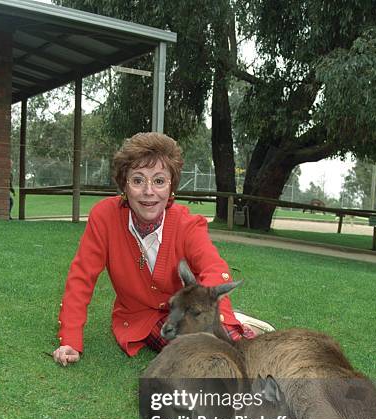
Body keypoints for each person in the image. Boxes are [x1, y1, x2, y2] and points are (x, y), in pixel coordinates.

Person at [52, 132, 273, 366]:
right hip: (142, 318)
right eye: (138, 180)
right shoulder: (104, 217)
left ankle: (236, 326)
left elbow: (214, 268)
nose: (149, 191)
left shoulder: (188, 224)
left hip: (192, 310)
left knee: (237, 350)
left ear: (171, 187)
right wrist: (70, 340)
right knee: (197, 356)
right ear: (124, 185)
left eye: (159, 181)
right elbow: (81, 278)